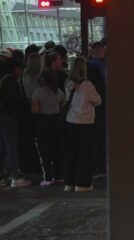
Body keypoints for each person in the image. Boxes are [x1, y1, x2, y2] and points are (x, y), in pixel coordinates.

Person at [64, 57, 101, 192]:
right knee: (84, 154)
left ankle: (69, 183)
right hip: (85, 122)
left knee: (71, 153)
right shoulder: (87, 85)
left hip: (71, 121)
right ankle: (82, 184)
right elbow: (98, 101)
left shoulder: (68, 83)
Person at [0, 58, 31, 188]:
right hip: (8, 116)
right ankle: (15, 176)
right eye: (20, 68)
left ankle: (2, 176)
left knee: (2, 147)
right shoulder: (11, 80)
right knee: (11, 146)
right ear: (15, 68)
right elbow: (15, 100)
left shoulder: (2, 79)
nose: (21, 71)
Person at [31, 70, 65, 186]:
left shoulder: (37, 92)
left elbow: (34, 110)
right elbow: (63, 105)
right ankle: (59, 176)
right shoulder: (59, 91)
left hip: (43, 122)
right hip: (56, 121)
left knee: (44, 151)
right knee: (57, 150)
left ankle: (48, 177)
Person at [87, 41, 107, 177]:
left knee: (94, 137)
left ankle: (94, 166)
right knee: (104, 137)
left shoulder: (91, 66)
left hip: (95, 106)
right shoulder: (108, 65)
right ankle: (103, 165)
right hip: (108, 105)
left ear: (93, 51)